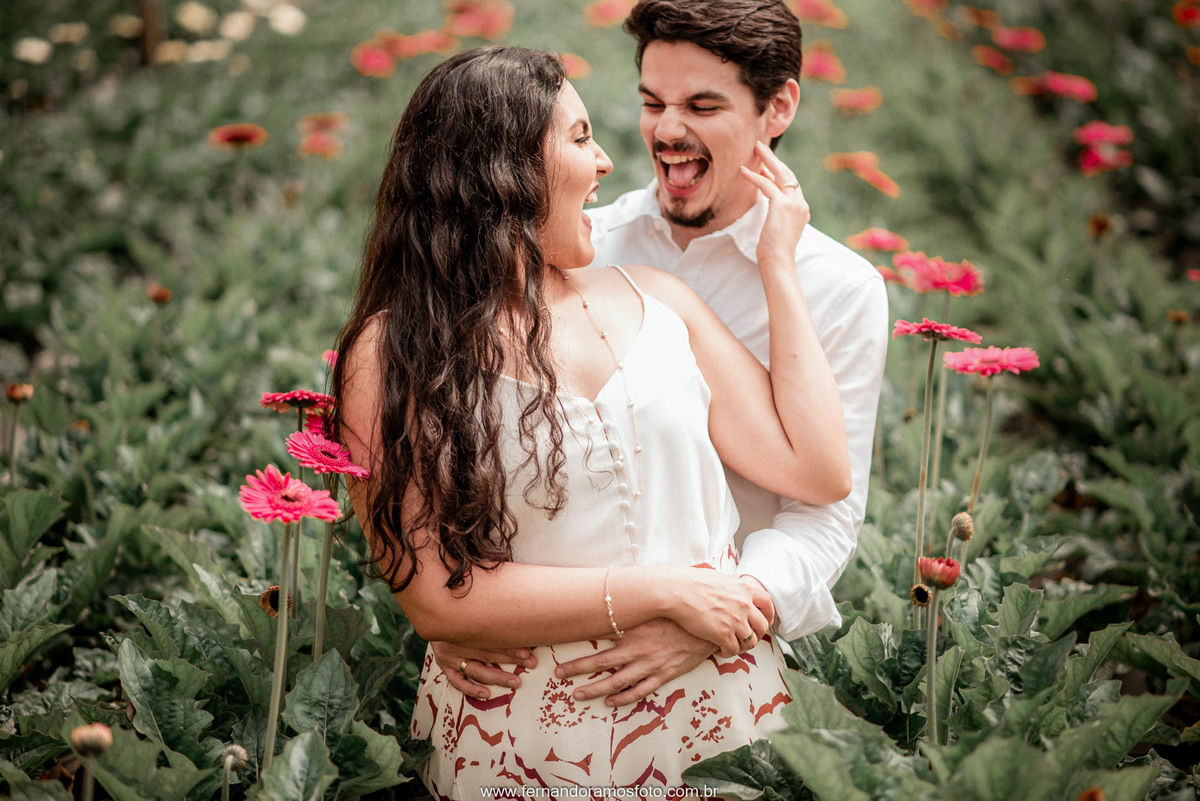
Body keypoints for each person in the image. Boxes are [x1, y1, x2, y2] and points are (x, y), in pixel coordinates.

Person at [333, 44, 848, 795]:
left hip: (718, 720)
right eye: (578, 138)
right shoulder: (393, 353)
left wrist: (779, 263)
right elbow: (439, 595)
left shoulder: (659, 299)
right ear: (502, 173)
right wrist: (667, 593)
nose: (606, 161)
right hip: (524, 740)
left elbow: (818, 468)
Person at [435, 0, 889, 709]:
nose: (668, 130)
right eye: (653, 103)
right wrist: (459, 609)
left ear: (777, 108)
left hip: (719, 659)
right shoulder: (586, 243)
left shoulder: (838, 288)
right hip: (539, 654)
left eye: (702, 105)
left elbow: (824, 507)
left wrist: (721, 616)